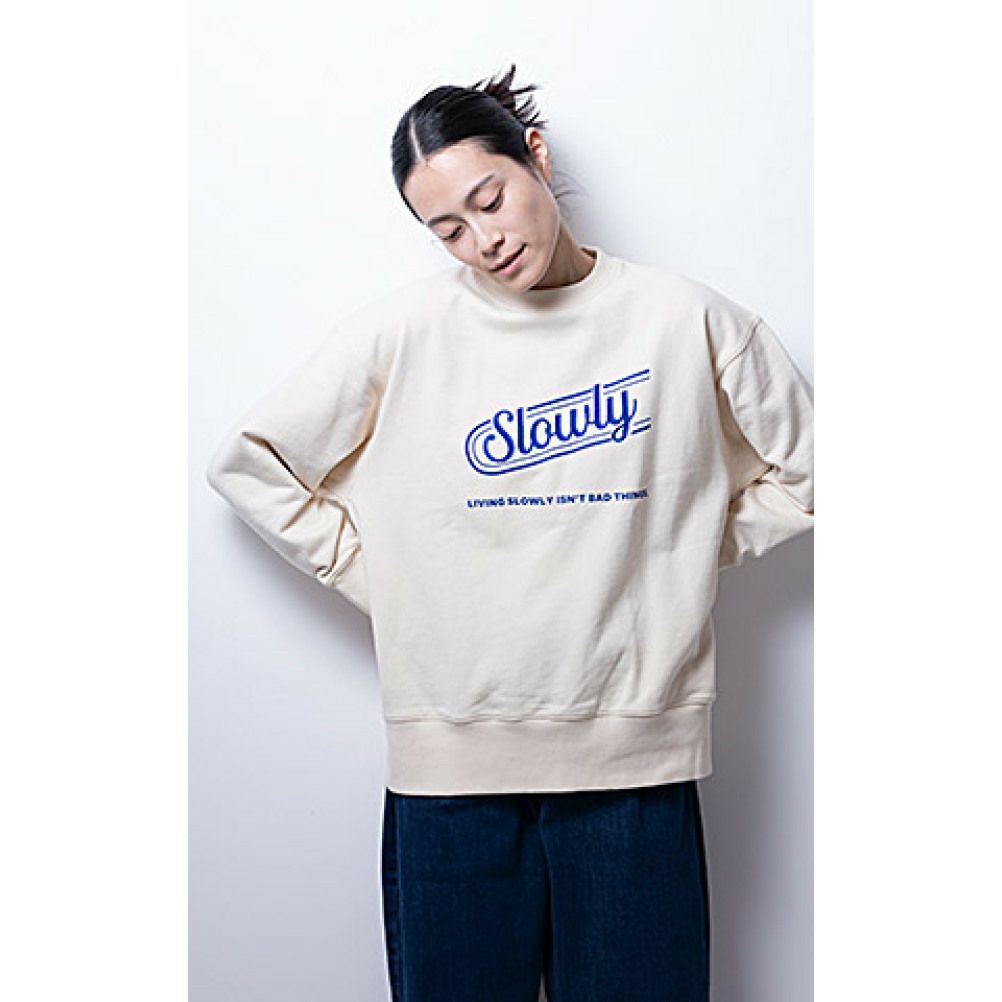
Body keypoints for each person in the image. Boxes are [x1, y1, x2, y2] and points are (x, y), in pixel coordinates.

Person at [205, 62, 813, 1002]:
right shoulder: (402, 334)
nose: (483, 241)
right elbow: (250, 466)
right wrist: (387, 577)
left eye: (489, 201)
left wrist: (682, 545)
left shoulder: (683, 319)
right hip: (450, 777)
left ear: (536, 157)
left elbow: (815, 469)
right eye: (448, 229)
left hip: (632, 768)